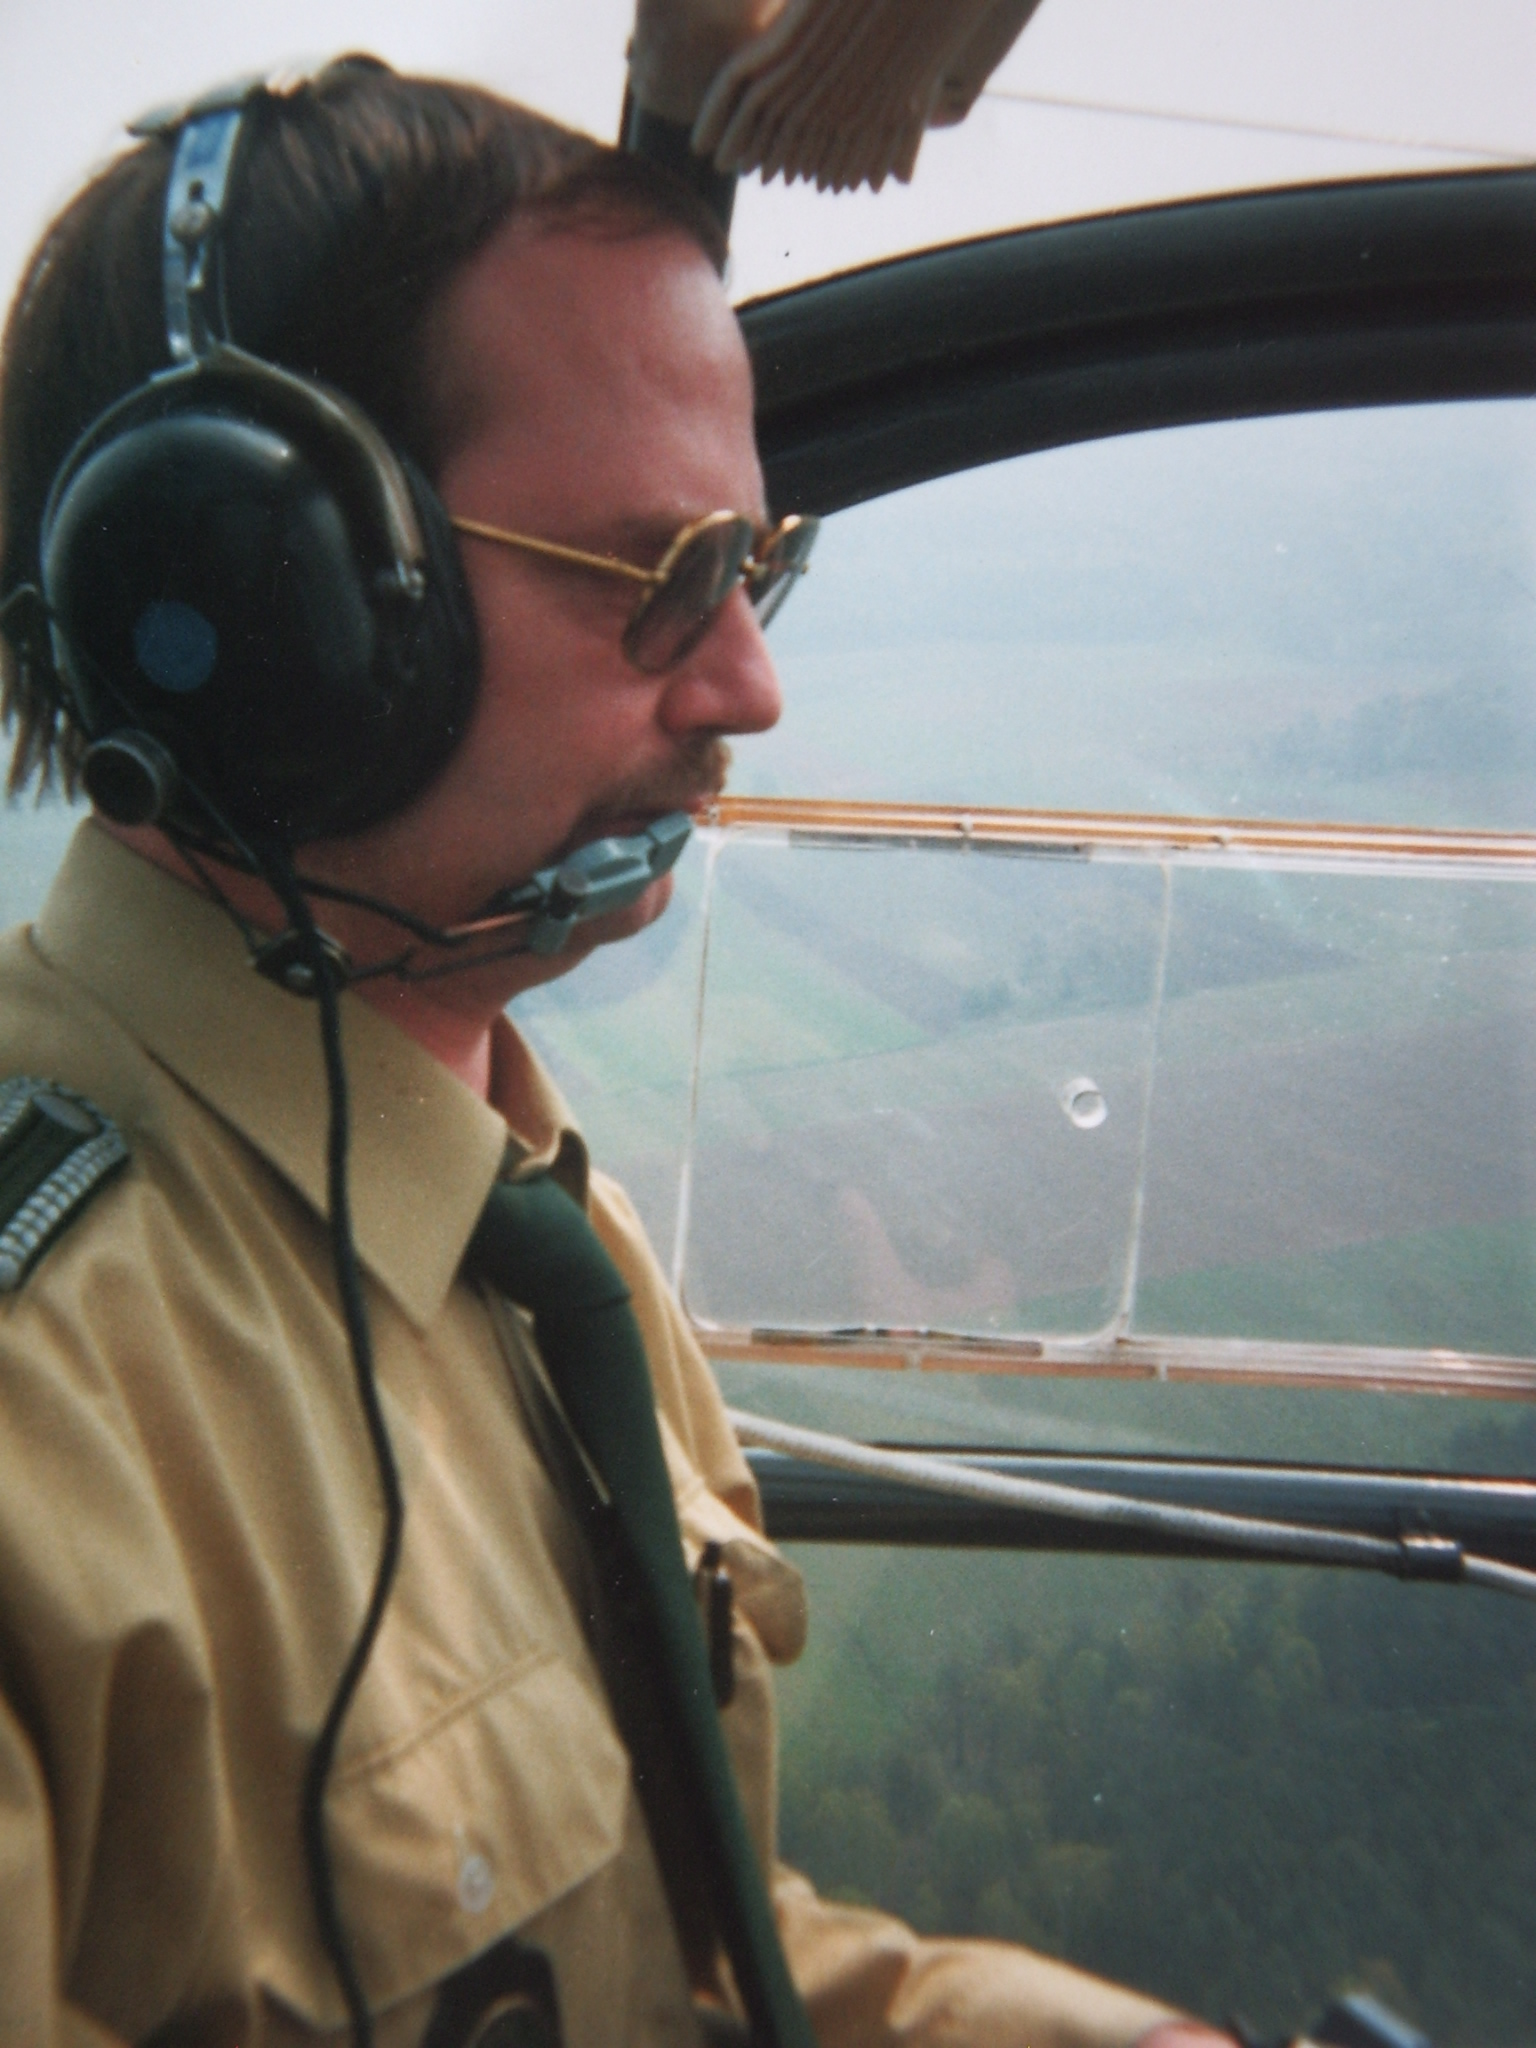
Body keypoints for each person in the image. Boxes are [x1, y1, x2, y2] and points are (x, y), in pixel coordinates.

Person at [0, 58, 1234, 2048]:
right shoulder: (42, 1411)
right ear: (257, 602)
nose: (751, 676)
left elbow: (680, 1967)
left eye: (757, 566)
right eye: (663, 579)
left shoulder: (518, 1215)